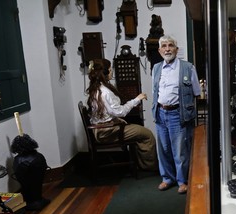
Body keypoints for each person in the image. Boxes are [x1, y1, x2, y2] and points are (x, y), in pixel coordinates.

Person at [86, 58, 157, 171]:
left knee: (139, 131)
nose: (112, 71)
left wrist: (116, 120)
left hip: (103, 129)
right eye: (110, 69)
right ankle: (149, 167)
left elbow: (110, 113)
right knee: (147, 134)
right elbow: (120, 112)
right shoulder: (105, 92)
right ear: (105, 73)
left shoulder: (97, 88)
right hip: (107, 132)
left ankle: (141, 164)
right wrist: (137, 99)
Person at [151, 35, 201, 194]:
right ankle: (167, 178)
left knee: (180, 150)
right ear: (159, 51)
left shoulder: (188, 67)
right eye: (164, 46)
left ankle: (182, 181)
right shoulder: (156, 68)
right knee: (164, 149)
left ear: (176, 49)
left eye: (170, 45)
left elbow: (196, 92)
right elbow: (155, 91)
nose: (167, 49)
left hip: (177, 114)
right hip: (160, 113)